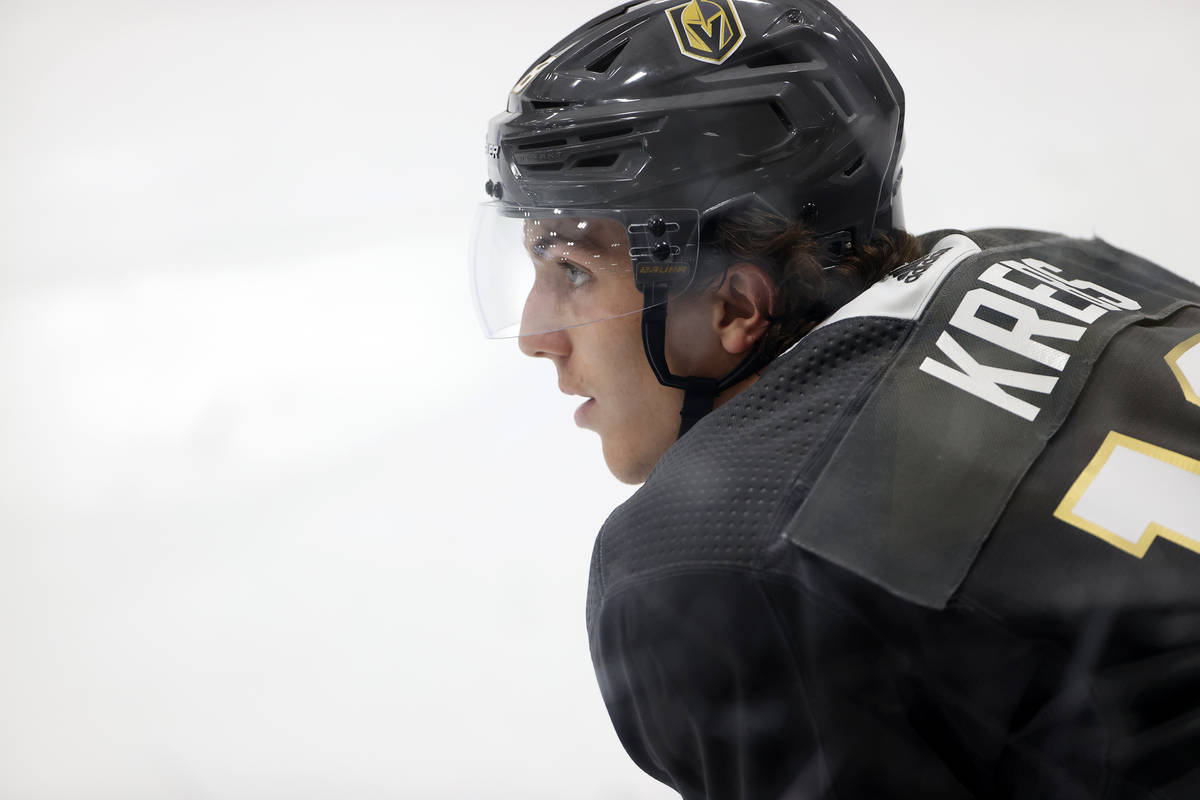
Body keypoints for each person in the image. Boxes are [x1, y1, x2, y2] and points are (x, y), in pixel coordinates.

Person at [470, 1, 1200, 797]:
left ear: (735, 307)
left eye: (573, 270)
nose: (539, 331)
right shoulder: (1054, 261)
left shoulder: (719, 560)